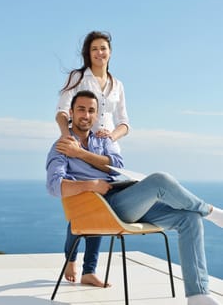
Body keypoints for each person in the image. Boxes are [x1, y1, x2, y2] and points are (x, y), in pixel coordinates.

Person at [46, 90, 223, 305]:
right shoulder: (61, 147)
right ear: (71, 113)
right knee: (160, 180)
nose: (86, 115)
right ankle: (211, 212)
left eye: (91, 110)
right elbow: (55, 186)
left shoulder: (102, 140)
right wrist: (90, 184)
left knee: (189, 219)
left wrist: (81, 154)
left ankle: (197, 296)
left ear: (96, 115)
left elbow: (117, 167)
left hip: (126, 199)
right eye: (81, 109)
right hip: (105, 208)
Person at [55, 31, 130, 284]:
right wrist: (69, 139)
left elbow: (124, 123)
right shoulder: (77, 77)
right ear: (88, 53)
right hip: (78, 144)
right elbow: (61, 112)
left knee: (102, 202)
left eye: (104, 48)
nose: (100, 53)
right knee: (81, 201)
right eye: (95, 48)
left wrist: (112, 137)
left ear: (110, 52)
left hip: (106, 151)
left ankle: (89, 271)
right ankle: (72, 257)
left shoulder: (117, 84)